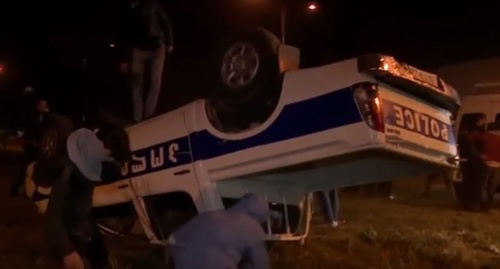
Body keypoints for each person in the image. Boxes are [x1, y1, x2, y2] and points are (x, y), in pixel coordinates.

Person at [45, 124, 131, 269]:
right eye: (110, 155)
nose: (110, 160)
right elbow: (52, 216)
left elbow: (82, 208)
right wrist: (68, 252)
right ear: (103, 146)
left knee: (100, 258)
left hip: (80, 229)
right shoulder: (69, 172)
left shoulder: (92, 159)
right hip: (65, 238)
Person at [168, 193, 270, 269]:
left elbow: (174, 239)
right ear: (262, 216)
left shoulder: (210, 215)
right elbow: (260, 263)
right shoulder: (254, 229)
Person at [119, 0, 174, 123]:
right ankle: (138, 117)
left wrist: (170, 42)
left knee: (156, 81)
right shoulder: (130, 10)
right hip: (139, 49)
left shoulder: (152, 5)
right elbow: (124, 33)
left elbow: (165, 21)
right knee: (137, 84)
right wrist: (124, 59)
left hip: (157, 47)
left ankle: (149, 115)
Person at [10, 98, 50, 197]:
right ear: (38, 105)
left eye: (45, 106)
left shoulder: (45, 117)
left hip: (39, 147)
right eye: (42, 105)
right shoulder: (32, 116)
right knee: (25, 167)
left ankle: (32, 189)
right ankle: (15, 188)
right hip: (31, 146)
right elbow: (30, 130)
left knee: (37, 169)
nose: (43, 107)